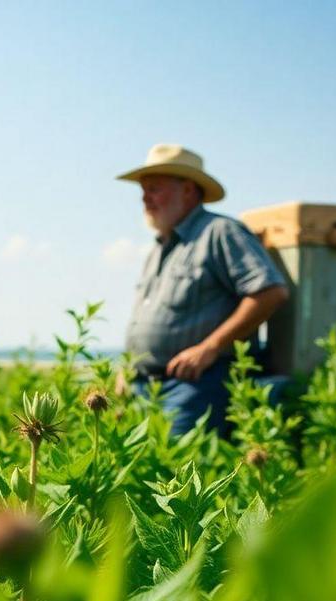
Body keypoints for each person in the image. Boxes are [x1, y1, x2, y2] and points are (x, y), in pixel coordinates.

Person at [118, 144, 289, 437]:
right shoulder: (160, 248)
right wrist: (127, 368)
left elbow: (269, 292)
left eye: (154, 189)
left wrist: (209, 348)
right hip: (144, 387)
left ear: (187, 190)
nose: (145, 198)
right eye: (143, 190)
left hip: (194, 386)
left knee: (179, 464)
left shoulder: (220, 232)